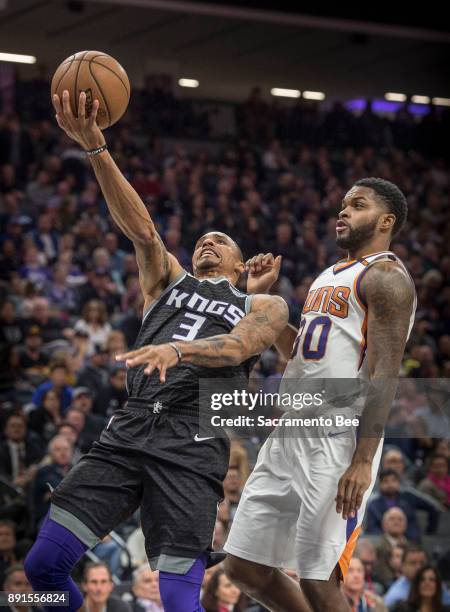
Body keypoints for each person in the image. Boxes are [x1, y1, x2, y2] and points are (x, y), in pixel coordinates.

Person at [24, 89, 289, 612]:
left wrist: (178, 350)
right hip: (130, 427)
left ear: (240, 266)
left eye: (221, 240)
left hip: (193, 441)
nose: (207, 243)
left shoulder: (266, 305)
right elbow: (144, 231)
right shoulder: (168, 280)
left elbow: (241, 345)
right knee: (40, 569)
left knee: (178, 601)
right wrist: (98, 149)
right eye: (202, 239)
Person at [224, 177, 417, 612]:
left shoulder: (386, 277)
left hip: (338, 436)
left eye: (358, 205)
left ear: (386, 221)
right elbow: (302, 355)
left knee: (318, 578)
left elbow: (385, 374)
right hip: (292, 427)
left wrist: (364, 462)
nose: (343, 212)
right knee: (243, 567)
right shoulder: (329, 275)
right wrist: (265, 303)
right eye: (344, 204)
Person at [366, 469, 439, 542]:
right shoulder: (374, 503)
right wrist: (389, 540)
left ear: (399, 483)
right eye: (385, 481)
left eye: (393, 480)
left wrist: (430, 532)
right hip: (384, 545)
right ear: (380, 484)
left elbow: (433, 508)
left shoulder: (409, 496)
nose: (390, 484)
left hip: (411, 541)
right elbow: (372, 528)